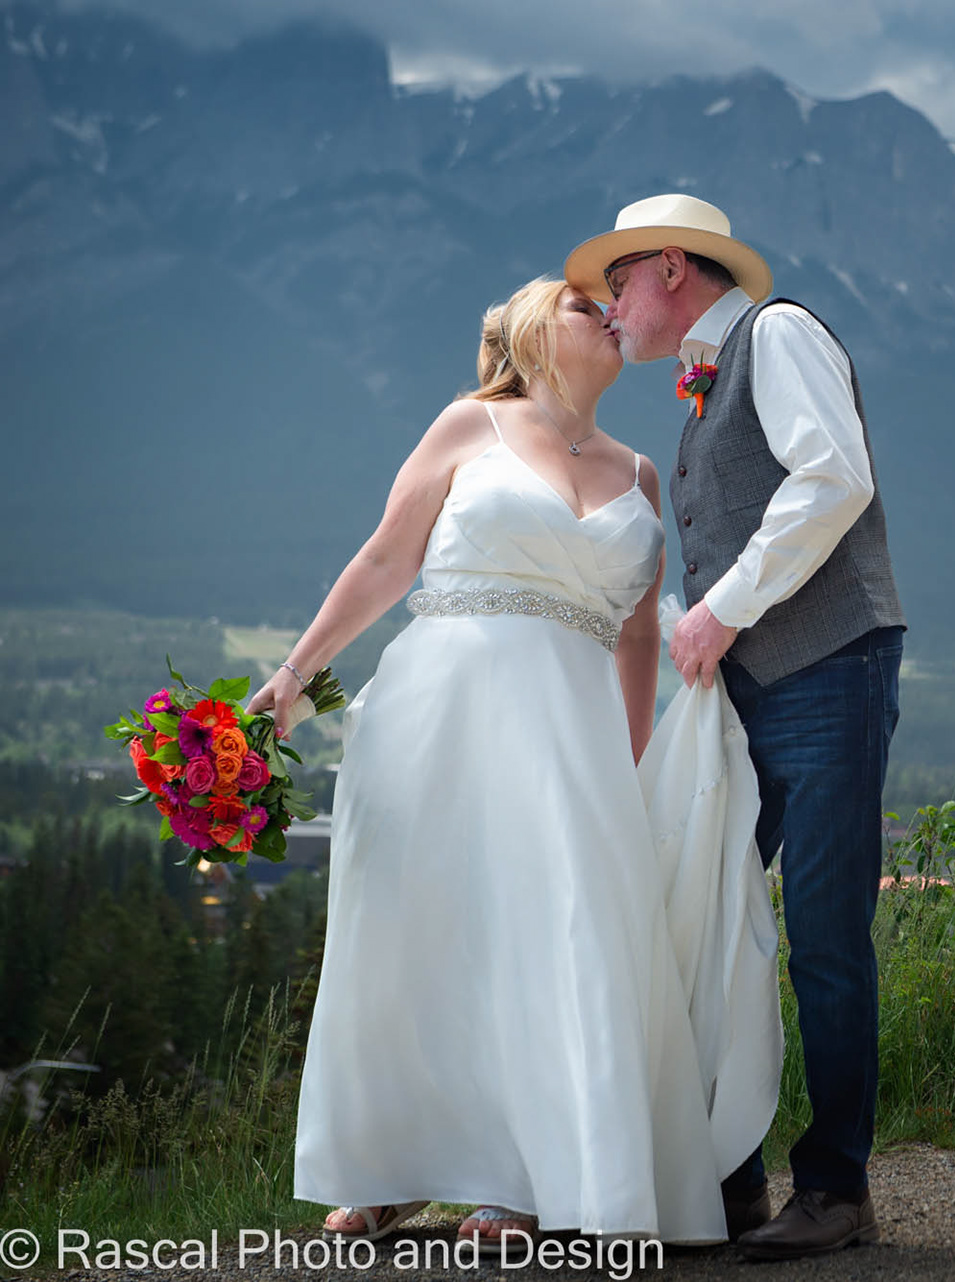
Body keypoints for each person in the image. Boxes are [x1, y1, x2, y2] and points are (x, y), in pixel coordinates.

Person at [247, 276, 780, 1248]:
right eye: (585, 304)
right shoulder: (468, 427)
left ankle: (526, 1178)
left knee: (554, 936)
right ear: (535, 329)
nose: (609, 314)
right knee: (417, 930)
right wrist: (292, 676)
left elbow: (634, 640)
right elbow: (383, 561)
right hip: (439, 713)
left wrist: (630, 760)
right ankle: (387, 1170)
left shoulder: (640, 474)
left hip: (571, 738)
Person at [565, 194, 906, 1260]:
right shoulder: (700, 389)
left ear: (672, 267)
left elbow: (836, 476)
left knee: (824, 939)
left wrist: (722, 610)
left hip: (831, 670)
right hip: (750, 690)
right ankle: (725, 1176)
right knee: (704, 922)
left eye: (620, 280)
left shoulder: (780, 333)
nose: (612, 305)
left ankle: (838, 1188)